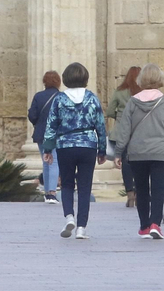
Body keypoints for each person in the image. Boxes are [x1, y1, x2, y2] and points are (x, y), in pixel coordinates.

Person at [113, 62, 164, 239]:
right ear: (160, 80)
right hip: (161, 152)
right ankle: (155, 224)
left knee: (141, 189)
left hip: (137, 152)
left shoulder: (132, 103)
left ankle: (144, 226)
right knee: (159, 188)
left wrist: (119, 152)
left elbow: (124, 129)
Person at [41, 61, 107, 239]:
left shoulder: (59, 99)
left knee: (67, 184)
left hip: (65, 145)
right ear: (85, 79)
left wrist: (48, 148)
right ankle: (81, 228)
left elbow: (51, 125)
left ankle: (69, 216)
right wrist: (102, 150)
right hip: (87, 145)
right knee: (85, 187)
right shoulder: (92, 98)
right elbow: (100, 125)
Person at [107, 66, 142, 205]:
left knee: (126, 164)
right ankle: (140, 193)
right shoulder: (143, 93)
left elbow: (109, 111)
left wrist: (119, 117)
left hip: (121, 132)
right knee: (140, 164)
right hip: (139, 132)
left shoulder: (119, 91)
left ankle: (130, 195)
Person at [27, 70, 62, 203]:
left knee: (46, 162)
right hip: (56, 134)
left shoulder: (38, 96)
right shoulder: (61, 97)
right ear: (58, 82)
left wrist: (39, 123)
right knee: (54, 161)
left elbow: (32, 115)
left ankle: (47, 191)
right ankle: (52, 193)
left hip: (41, 133)